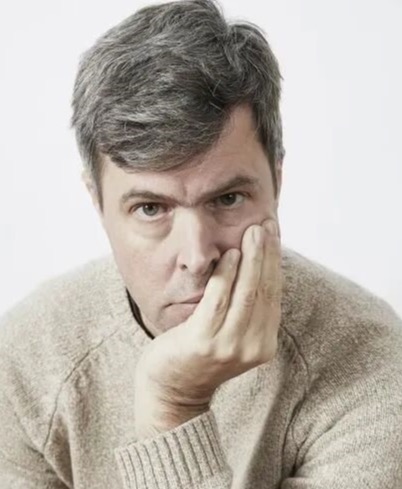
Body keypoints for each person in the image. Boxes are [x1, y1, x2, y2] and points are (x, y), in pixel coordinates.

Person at [1, 0, 401, 487]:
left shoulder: (372, 363)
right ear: (97, 203)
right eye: (151, 208)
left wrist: (173, 407)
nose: (197, 257)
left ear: (276, 183)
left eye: (228, 199)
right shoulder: (25, 363)